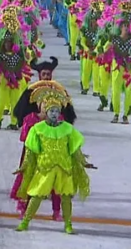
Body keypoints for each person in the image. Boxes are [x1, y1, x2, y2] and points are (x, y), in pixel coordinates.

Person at [14, 80, 94, 233]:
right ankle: (25, 221)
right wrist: (24, 166)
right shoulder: (37, 129)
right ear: (45, 111)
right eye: (51, 111)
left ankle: (68, 224)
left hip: (64, 168)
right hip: (44, 168)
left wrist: (83, 162)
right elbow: (30, 151)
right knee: (36, 195)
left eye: (57, 111)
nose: (54, 114)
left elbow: (74, 149)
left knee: (65, 197)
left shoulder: (68, 129)